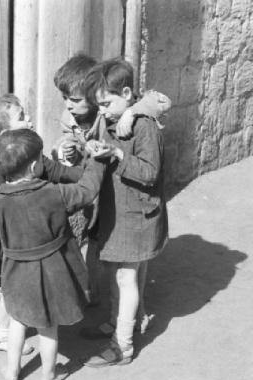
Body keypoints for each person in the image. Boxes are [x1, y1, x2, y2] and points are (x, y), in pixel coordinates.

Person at [0, 94, 82, 354]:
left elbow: (55, 171)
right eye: (22, 116)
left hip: (16, 236)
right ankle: (1, 335)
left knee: (3, 286)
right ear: (6, 133)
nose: (30, 118)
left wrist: (85, 175)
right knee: (10, 286)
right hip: (1, 238)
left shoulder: (28, 151)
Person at [0, 128, 106, 380]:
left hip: (16, 273)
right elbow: (87, 190)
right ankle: (48, 374)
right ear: (36, 165)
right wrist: (96, 161)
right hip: (55, 268)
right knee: (48, 326)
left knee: (18, 319)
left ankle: (12, 372)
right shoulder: (55, 193)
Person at [52, 53, 172, 305]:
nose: (68, 106)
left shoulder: (111, 110)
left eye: (74, 100)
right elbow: (75, 153)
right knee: (103, 251)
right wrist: (64, 151)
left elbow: (159, 101)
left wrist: (134, 111)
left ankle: (127, 317)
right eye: (64, 99)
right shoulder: (71, 118)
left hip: (125, 196)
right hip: (101, 193)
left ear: (94, 96)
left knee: (130, 265)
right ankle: (100, 301)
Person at [82, 58, 169, 367]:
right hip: (119, 211)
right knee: (118, 273)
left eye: (106, 103)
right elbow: (104, 148)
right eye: (99, 105)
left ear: (128, 93)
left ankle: (124, 345)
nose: (102, 110)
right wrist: (92, 150)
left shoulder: (145, 126)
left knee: (125, 276)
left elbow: (150, 173)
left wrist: (117, 154)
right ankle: (120, 321)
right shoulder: (112, 119)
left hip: (137, 215)